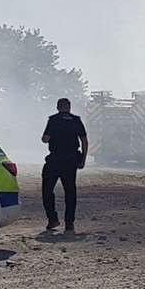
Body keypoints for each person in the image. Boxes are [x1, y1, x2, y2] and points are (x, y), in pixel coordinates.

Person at [41, 97, 88, 233]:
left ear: (57, 107)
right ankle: (69, 224)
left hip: (55, 159)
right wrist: (83, 159)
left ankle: (53, 219)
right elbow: (84, 141)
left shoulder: (53, 120)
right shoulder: (76, 120)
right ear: (69, 107)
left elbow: (45, 139)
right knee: (70, 191)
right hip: (71, 160)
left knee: (47, 189)